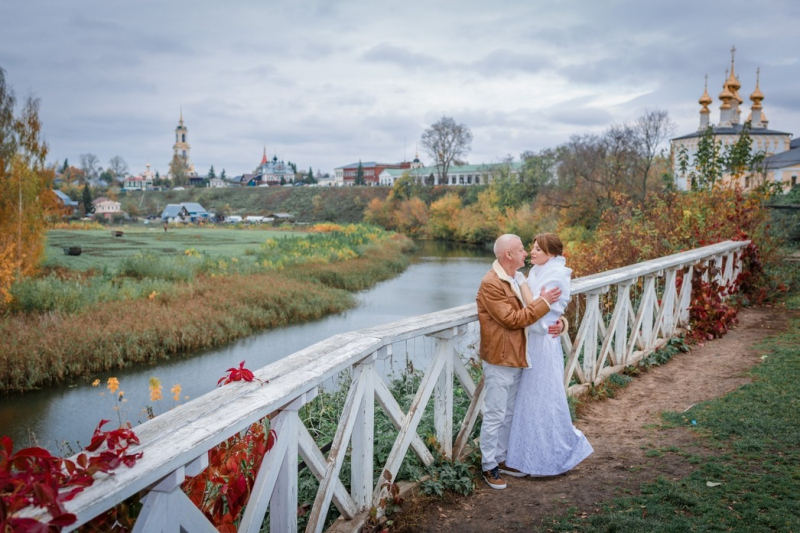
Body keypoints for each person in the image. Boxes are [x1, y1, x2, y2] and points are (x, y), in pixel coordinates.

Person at [476, 234, 564, 490]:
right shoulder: (491, 283)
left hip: (517, 358)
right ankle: (488, 466)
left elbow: (538, 322)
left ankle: (501, 459)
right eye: (521, 250)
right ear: (508, 255)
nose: (526, 253)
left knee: (508, 413)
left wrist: (560, 323)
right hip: (500, 359)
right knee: (494, 414)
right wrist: (544, 302)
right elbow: (513, 319)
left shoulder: (516, 278)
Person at [505, 233, 593, 476]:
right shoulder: (537, 271)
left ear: (551, 254)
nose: (532, 253)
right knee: (530, 399)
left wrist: (523, 285)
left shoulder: (555, 275)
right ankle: (526, 457)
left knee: (541, 398)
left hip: (542, 344)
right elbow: (535, 305)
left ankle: (544, 459)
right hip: (533, 342)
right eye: (532, 248)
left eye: (538, 250)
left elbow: (536, 312)